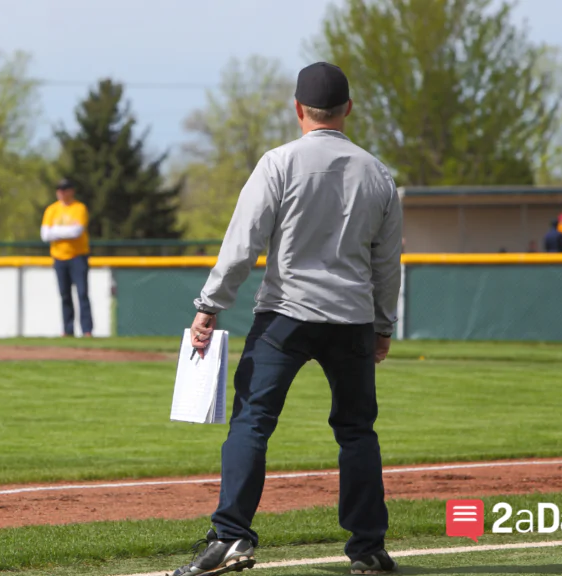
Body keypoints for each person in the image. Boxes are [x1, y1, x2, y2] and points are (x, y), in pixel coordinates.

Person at [170, 62, 402, 576]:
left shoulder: (278, 163)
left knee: (252, 423)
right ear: (349, 109)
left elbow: (241, 245)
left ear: (298, 109)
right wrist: (383, 325)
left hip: (286, 316)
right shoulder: (378, 173)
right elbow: (387, 262)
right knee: (357, 431)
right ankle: (369, 547)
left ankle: (232, 537)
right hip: (351, 319)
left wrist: (209, 304)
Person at [40, 178, 93, 337]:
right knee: (64, 295)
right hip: (59, 257)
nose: (61, 192)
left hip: (78, 256)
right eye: (59, 189)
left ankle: (87, 330)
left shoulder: (79, 208)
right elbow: (45, 234)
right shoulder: (51, 210)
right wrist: (64, 231)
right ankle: (67, 330)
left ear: (71, 191)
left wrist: (56, 231)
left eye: (65, 189)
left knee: (82, 293)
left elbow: (77, 231)